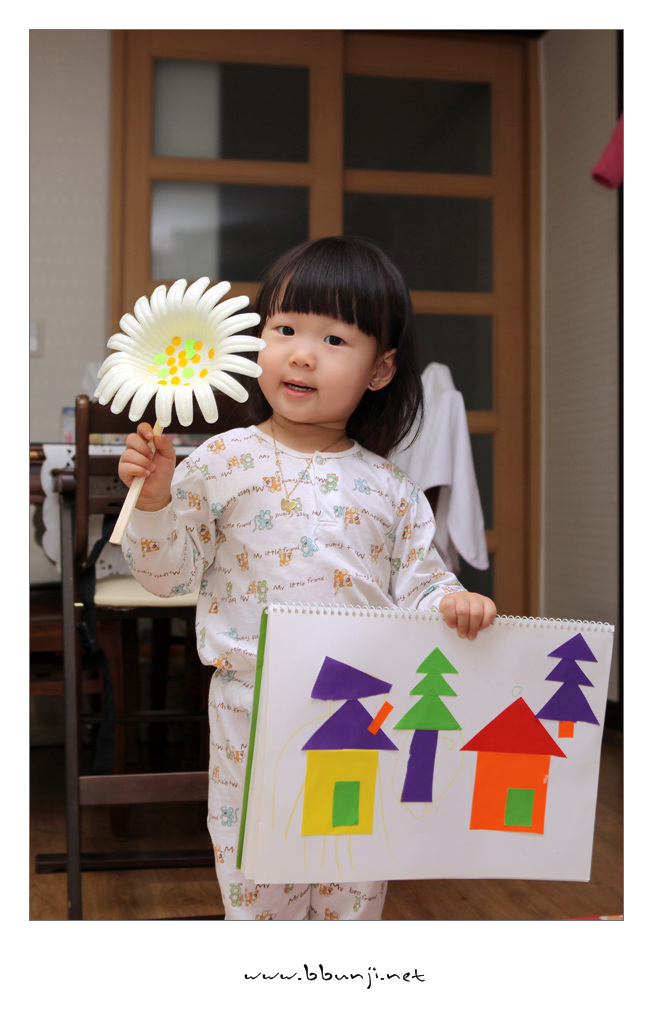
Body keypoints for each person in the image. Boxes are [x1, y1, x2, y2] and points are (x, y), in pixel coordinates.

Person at [117, 236, 497, 920]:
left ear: (379, 369)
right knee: (258, 891)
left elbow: (422, 585)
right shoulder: (217, 462)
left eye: (333, 339)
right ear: (255, 342)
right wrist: (153, 501)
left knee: (352, 887)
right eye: (285, 329)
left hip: (364, 716)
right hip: (249, 713)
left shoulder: (392, 490)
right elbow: (164, 578)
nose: (300, 354)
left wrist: (455, 600)